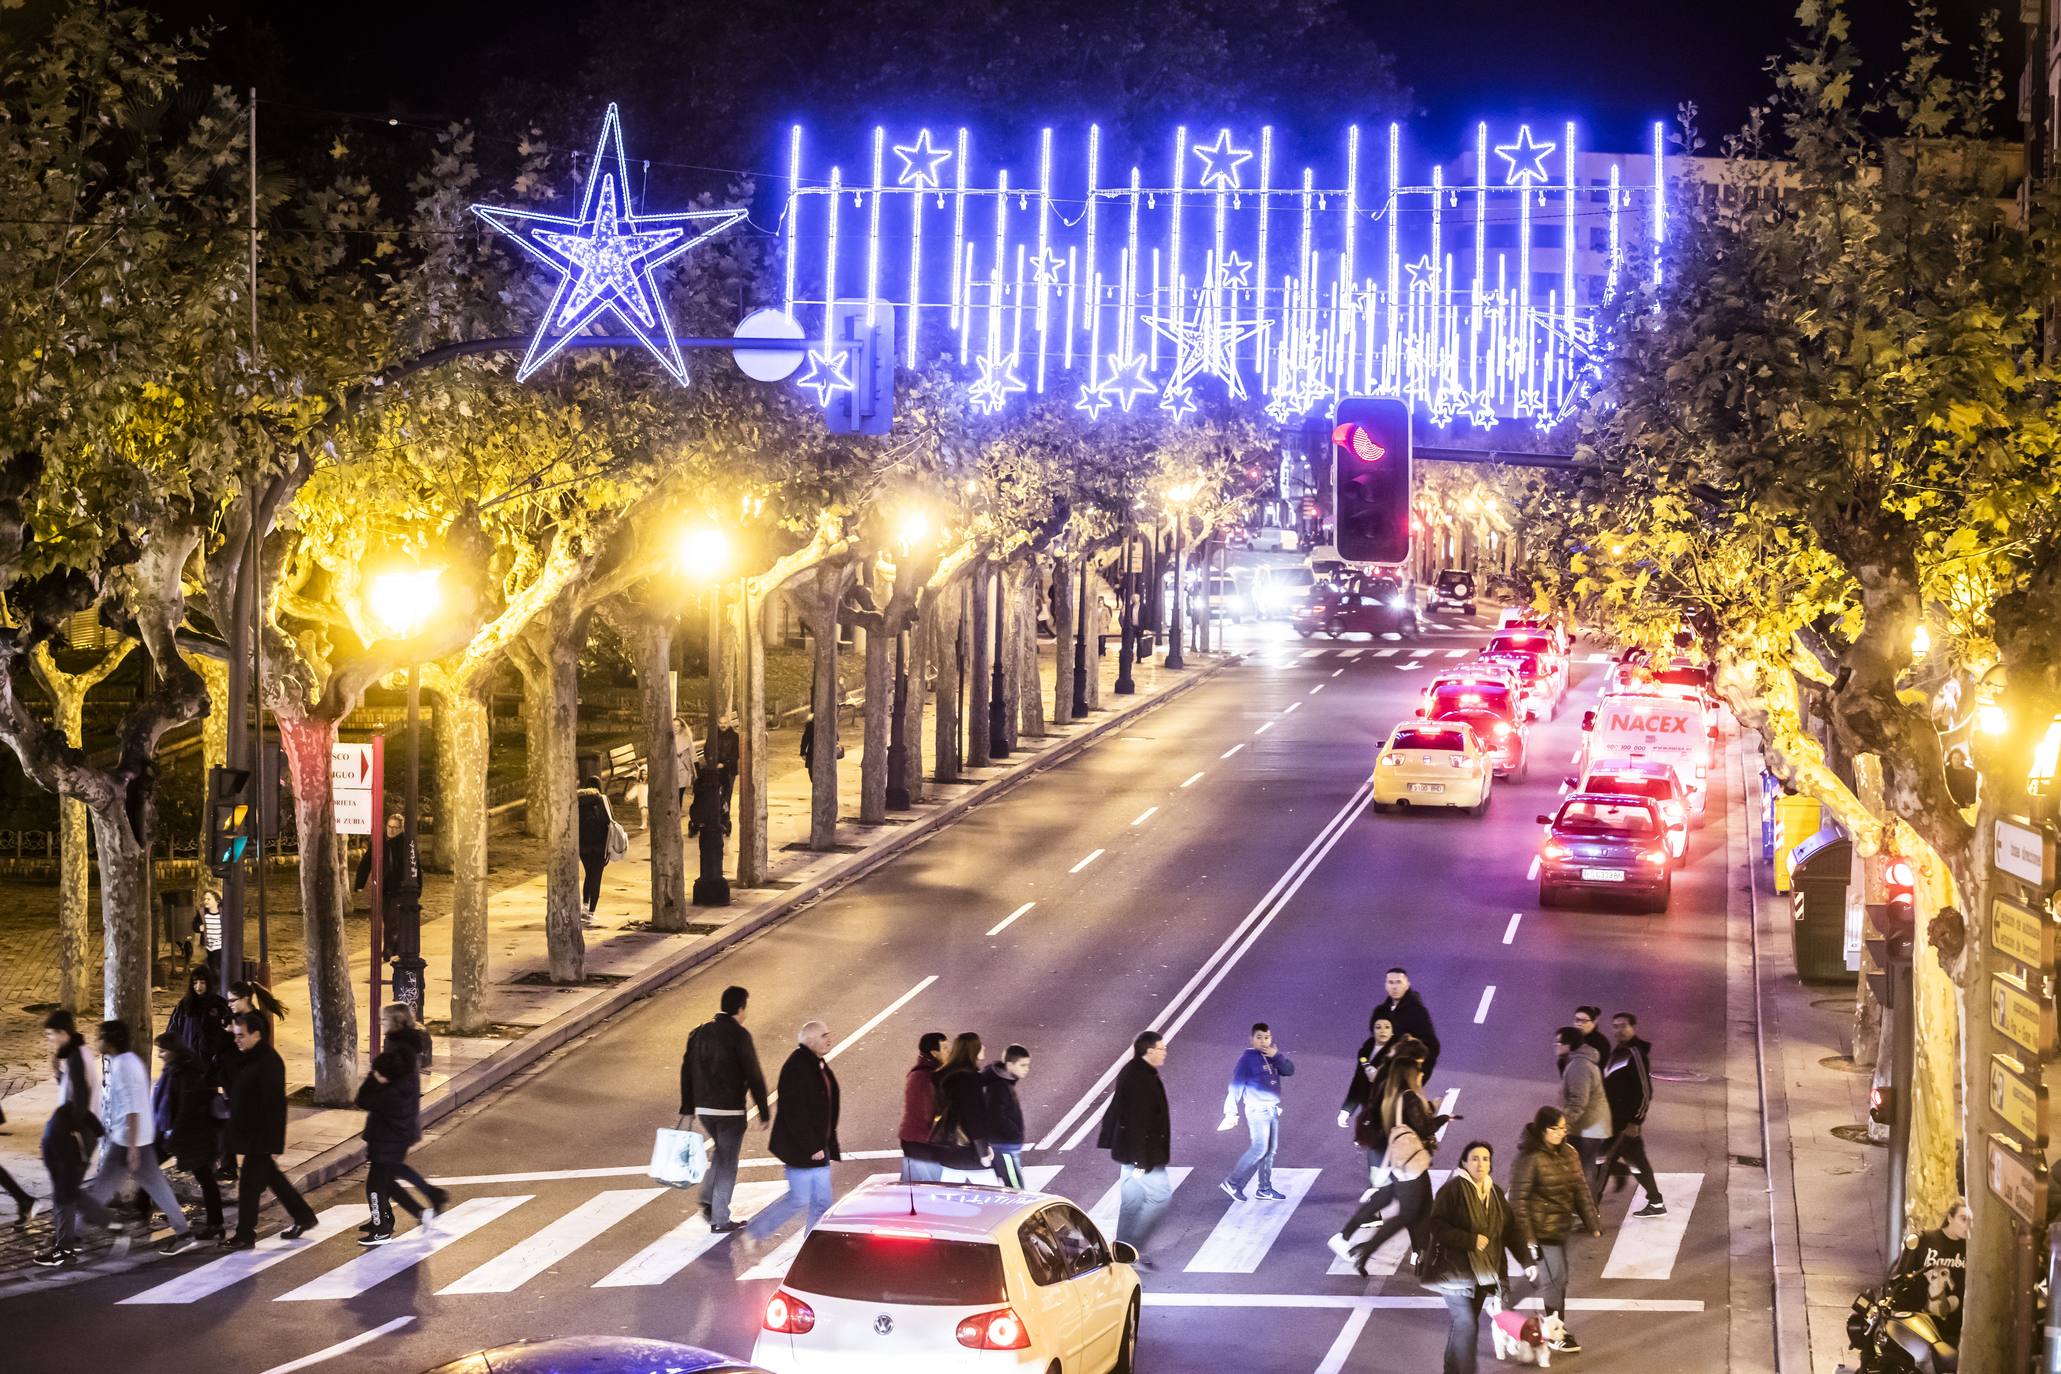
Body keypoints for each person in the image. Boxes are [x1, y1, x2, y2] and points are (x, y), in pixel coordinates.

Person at [73, 1020, 198, 1255]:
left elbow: (132, 1108)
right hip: (137, 1139)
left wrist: (131, 1147)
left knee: (101, 1189)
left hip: (128, 1141)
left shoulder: (122, 1066)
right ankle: (184, 1233)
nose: (96, 1040)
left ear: (110, 1040)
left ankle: (74, 1238)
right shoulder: (131, 1061)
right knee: (156, 1187)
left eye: (100, 1036)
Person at [1328, 1058, 1450, 1275]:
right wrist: (1442, 1117)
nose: (1421, 1075)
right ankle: (1364, 1249)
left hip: (1391, 1157)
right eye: (1418, 1071)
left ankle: (1420, 1254)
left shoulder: (1389, 1093)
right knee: (1411, 1212)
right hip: (1406, 1160)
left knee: (1404, 1204)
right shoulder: (1407, 1095)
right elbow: (1422, 1126)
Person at [1420, 1141, 1534, 1374]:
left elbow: (1510, 1229)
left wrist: (1527, 1262)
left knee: (1464, 1324)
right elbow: (1436, 1224)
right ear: (1464, 1162)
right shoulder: (1452, 1190)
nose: (1481, 1163)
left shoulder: (1494, 1192)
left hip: (1484, 1274)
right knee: (1466, 1324)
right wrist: (1468, 1239)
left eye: (1485, 1159)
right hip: (1455, 1272)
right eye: (1474, 1158)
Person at [222, 1010, 318, 1249]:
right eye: (235, 1035)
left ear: (256, 1034)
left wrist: (274, 1142)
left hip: (260, 1137)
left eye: (241, 1035)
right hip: (251, 1133)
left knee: (249, 1185)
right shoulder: (248, 1056)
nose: (237, 1040)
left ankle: (245, 1234)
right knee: (273, 1179)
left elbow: (275, 1105)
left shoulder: (268, 1062)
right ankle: (303, 1216)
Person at [1509, 1106, 1602, 1353]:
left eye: (1564, 1128)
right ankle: (1555, 1334)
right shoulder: (1528, 1159)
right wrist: (1528, 1239)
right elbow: (1518, 1202)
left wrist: (1591, 1222)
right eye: (1557, 1128)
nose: (1562, 1133)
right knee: (1554, 1280)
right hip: (1539, 1231)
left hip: (1559, 1227)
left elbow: (1580, 1189)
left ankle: (1503, 1306)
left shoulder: (1569, 1153)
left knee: (1545, 1278)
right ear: (1543, 1130)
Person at [679, 985, 769, 1233]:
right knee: (729, 1161)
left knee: (721, 1153)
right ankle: (720, 1218)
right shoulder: (740, 1035)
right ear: (741, 1008)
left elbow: (686, 1071)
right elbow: (753, 1074)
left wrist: (688, 1106)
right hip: (730, 1111)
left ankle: (708, 1197)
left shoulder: (699, 1033)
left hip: (704, 1109)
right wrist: (763, 1110)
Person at [31, 1010, 100, 1266]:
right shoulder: (77, 1054)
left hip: (77, 1133)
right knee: (66, 1190)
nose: (50, 1041)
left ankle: (65, 1247)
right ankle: (67, 1241)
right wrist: (58, 1074)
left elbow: (81, 1097)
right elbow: (74, 1091)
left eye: (51, 1035)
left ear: (63, 1033)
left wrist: (74, 1133)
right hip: (79, 1131)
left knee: (64, 1192)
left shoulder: (77, 1057)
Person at [1098, 1030, 1173, 1263]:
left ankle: (1123, 1252)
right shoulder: (1140, 1078)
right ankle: (1133, 1251)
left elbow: (1118, 1110)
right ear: (1149, 1051)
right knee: (1160, 1197)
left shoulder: (1136, 1071)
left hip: (1131, 1153)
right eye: (1162, 1049)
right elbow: (1137, 1122)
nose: (1165, 1053)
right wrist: (1142, 1161)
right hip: (1141, 1156)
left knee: (1132, 1202)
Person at [371, 1003, 446, 1220]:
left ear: (395, 1022)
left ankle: (417, 1211)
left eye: (383, 1020)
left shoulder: (400, 1049)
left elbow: (399, 1088)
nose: (380, 1023)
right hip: (398, 1122)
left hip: (397, 1124)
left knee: (383, 1175)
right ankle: (430, 1198)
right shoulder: (400, 1045)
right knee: (389, 1170)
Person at [766, 1020, 841, 1231]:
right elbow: (794, 1112)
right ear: (810, 1040)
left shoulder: (817, 1063)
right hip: (805, 1149)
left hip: (819, 1146)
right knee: (798, 1200)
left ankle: (812, 1249)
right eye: (824, 1036)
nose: (829, 1039)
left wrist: (827, 1142)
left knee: (821, 1203)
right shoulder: (797, 1067)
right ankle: (755, 1232)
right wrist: (813, 1146)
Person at [151, 1032, 225, 1241]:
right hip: (176, 1134)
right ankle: (215, 1223)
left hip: (192, 1137)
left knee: (205, 1178)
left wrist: (174, 1136)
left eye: (163, 1051)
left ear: (173, 1051)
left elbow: (186, 1108)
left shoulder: (186, 1074)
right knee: (148, 1168)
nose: (159, 1055)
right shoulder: (174, 1069)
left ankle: (215, 1224)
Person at [1220, 1022, 1295, 1202]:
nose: (1263, 1041)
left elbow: (1289, 1070)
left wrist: (1276, 1055)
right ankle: (1232, 1182)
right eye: (1259, 1037)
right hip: (1257, 1110)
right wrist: (1230, 1112)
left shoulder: (1272, 1056)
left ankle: (1264, 1188)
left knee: (1270, 1150)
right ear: (1252, 1039)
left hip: (1272, 1109)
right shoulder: (1247, 1058)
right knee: (1259, 1148)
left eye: (1266, 1037)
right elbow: (1236, 1085)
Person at [1599, 1011, 1665, 1216]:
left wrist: (1636, 1121)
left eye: (1623, 1025)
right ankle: (1655, 1203)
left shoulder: (1634, 1053)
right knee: (1637, 1162)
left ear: (1633, 1027)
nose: (1618, 1030)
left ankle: (1589, 1210)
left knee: (1601, 1162)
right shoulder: (1619, 1051)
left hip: (1624, 1124)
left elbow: (1645, 1091)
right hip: (1614, 1122)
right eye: (1615, 1026)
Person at [1890, 1200, 1968, 1344]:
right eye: (1963, 1219)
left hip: (1954, 1330)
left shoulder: (1970, 1250)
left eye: (1970, 1220)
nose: (1967, 1225)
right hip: (1921, 1326)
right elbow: (1902, 1275)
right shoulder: (1925, 1240)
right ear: (1950, 1218)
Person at [929, 1033, 994, 1174]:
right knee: (989, 1190)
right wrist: (983, 1152)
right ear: (973, 1050)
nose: (984, 1047)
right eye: (979, 1045)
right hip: (966, 1147)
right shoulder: (970, 1080)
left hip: (946, 1142)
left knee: (949, 1191)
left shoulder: (943, 1076)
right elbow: (974, 1118)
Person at [1555, 1026, 1612, 1178]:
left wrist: (1564, 1125)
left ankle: (1586, 1202)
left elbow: (1578, 1101)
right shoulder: (1578, 1062)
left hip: (1587, 1126)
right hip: (1590, 1125)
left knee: (1582, 1171)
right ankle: (1585, 1201)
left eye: (1558, 1042)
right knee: (1584, 1169)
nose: (1556, 1046)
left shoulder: (1579, 1066)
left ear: (1568, 1045)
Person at [897, 1031, 949, 1182]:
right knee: (930, 1189)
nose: (949, 1052)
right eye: (945, 1049)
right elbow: (931, 1112)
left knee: (912, 1189)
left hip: (916, 1141)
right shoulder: (924, 1077)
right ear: (934, 1053)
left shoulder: (928, 1073)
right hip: (921, 1142)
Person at [1372, 968, 1441, 1079]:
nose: (1394, 987)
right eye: (1391, 982)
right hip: (1385, 1071)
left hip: (1405, 1073)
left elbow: (1432, 1046)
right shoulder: (1381, 1011)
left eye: (1399, 982)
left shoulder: (1417, 1011)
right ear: (1386, 986)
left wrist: (1414, 1069)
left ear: (1407, 985)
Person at [165, 963, 232, 1074]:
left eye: (202, 983)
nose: (198, 987)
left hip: (211, 1063)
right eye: (195, 983)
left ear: (209, 983)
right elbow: (173, 1029)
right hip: (188, 1062)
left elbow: (228, 1032)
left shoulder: (219, 1004)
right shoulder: (184, 1005)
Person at [981, 1045, 1032, 1188]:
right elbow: (996, 1116)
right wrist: (1014, 1132)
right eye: (1022, 1065)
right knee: (1017, 1189)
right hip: (1004, 1146)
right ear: (1009, 1065)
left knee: (1010, 1185)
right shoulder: (999, 1086)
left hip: (1005, 1145)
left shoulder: (1003, 1083)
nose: (1026, 1069)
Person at [575, 774, 616, 923]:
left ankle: (584, 907)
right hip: (600, 846)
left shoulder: (578, 800)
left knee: (588, 875)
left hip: (584, 846)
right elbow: (609, 820)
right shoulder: (602, 799)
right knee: (596, 877)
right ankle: (591, 912)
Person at [192, 890, 226, 976]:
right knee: (211, 965)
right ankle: (216, 983)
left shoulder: (223, 913)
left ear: (217, 901)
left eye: (209, 899)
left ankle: (218, 984)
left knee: (215, 966)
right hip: (208, 945)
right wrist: (199, 928)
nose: (205, 901)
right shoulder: (202, 913)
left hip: (220, 944)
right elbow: (195, 924)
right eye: (204, 899)